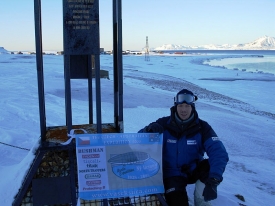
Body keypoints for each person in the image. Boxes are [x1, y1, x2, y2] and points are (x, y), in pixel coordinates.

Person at [138, 89, 229, 206]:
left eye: (187, 106)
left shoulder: (202, 127)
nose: (184, 110)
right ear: (176, 106)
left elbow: (218, 151)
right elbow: (139, 140)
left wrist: (214, 179)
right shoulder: (164, 124)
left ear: (192, 107)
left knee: (210, 167)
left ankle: (201, 201)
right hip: (172, 174)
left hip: (193, 170)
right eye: (180, 106)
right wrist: (148, 130)